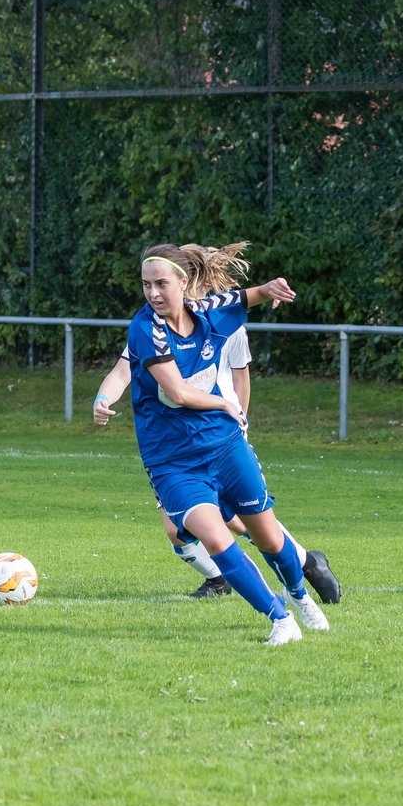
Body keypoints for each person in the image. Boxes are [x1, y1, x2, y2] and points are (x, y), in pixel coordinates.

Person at [117, 240, 330, 644]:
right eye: (146, 285)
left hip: (225, 447)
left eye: (161, 284)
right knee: (215, 537)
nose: (153, 294)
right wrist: (223, 403)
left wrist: (271, 289)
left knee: (267, 535)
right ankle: (280, 620)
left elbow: (250, 296)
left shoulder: (210, 312)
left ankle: (300, 596)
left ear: (183, 281)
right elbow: (178, 393)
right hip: (174, 463)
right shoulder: (146, 328)